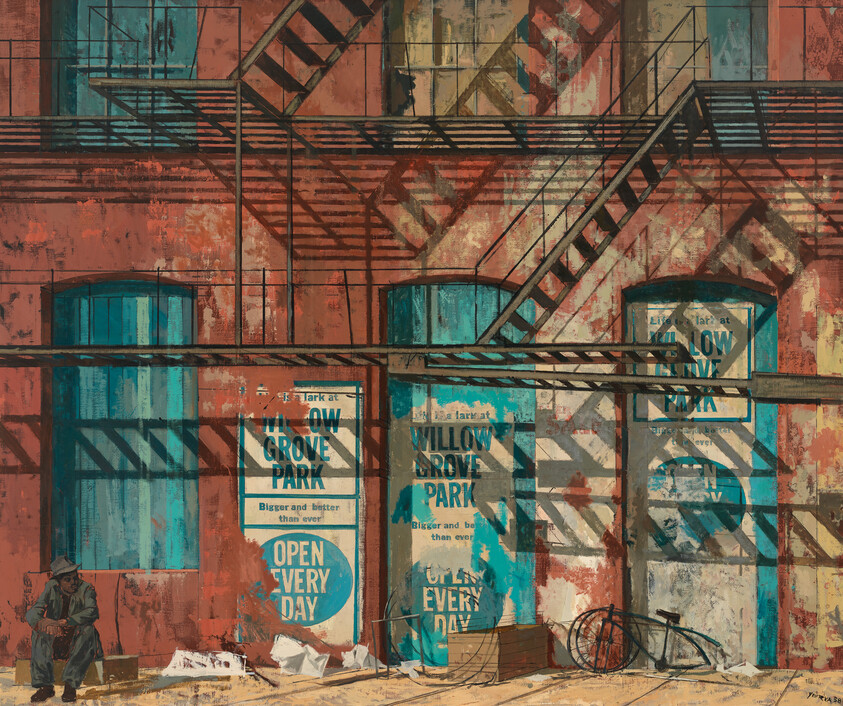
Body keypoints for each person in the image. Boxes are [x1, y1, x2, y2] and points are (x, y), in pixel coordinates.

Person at [24, 556, 103, 703]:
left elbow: (92, 611)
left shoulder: (86, 589)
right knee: (38, 632)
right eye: (68, 579)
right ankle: (45, 687)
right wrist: (42, 622)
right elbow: (33, 611)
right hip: (57, 638)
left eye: (75, 577)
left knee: (88, 630)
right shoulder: (51, 587)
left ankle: (70, 686)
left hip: (78, 640)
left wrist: (67, 621)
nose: (73, 582)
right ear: (58, 581)